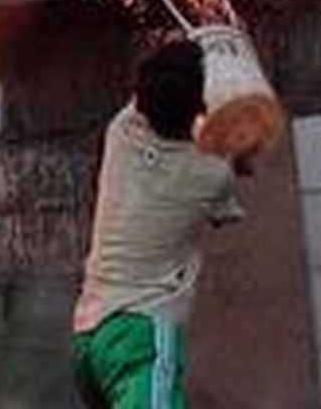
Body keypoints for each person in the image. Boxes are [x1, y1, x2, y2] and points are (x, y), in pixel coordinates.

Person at [72, 39, 249, 409]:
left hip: (90, 335)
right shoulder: (212, 173)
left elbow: (156, 82)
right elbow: (223, 215)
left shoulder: (120, 132)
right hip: (141, 335)